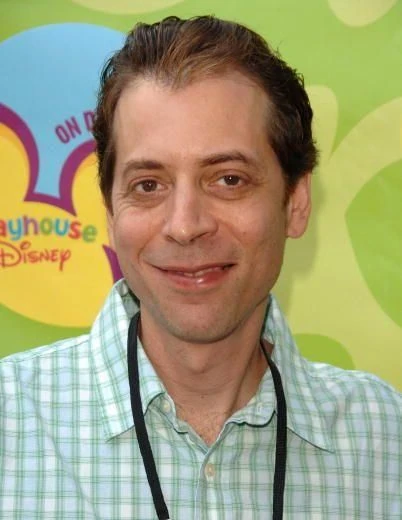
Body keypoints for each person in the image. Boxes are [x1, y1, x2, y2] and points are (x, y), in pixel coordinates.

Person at [0, 15, 400, 520]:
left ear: (295, 203)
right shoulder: (9, 422)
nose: (185, 226)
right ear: (110, 214)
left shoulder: (386, 438)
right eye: (148, 185)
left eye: (228, 179)